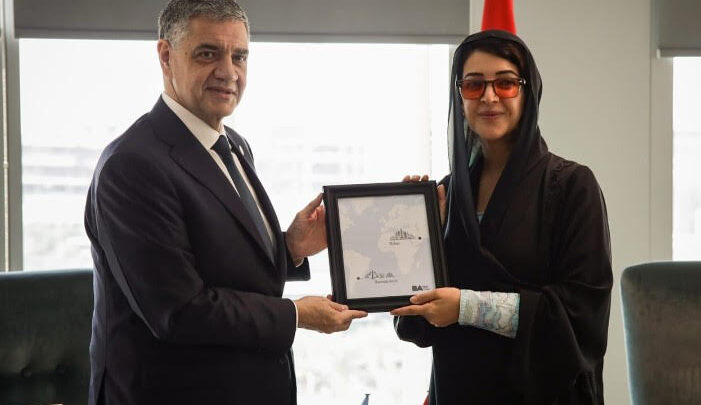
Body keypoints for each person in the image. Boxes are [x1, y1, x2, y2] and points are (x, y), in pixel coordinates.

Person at [84, 1, 366, 404]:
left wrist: (290, 248)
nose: (228, 72)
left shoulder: (233, 145)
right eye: (208, 54)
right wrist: (297, 314)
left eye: (239, 57)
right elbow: (180, 311)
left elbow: (220, 264)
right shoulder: (131, 165)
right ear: (166, 56)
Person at [391, 30, 613, 404]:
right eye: (474, 84)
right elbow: (418, 314)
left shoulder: (573, 186)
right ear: (459, 96)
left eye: (505, 83)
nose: (489, 97)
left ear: (528, 92)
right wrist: (415, 240)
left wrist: (467, 308)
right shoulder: (446, 193)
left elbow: (580, 315)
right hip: (456, 389)